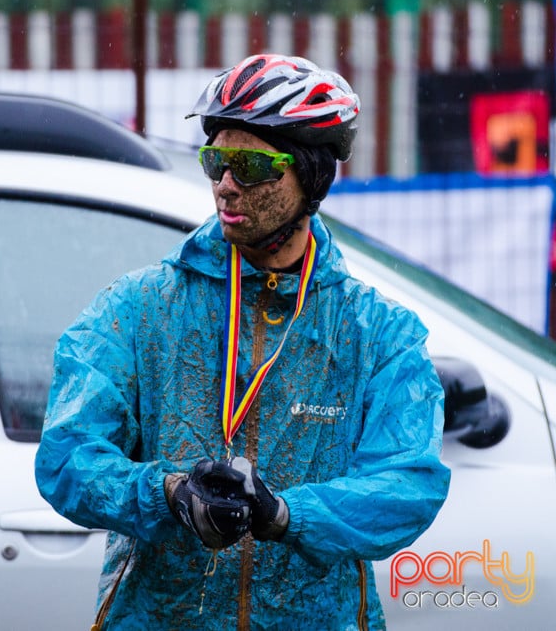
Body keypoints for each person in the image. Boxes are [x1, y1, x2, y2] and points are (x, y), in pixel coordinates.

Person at [34, 54, 451, 630]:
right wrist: (170, 492)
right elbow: (66, 458)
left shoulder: (380, 334)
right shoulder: (136, 308)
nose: (225, 185)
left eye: (251, 165)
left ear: (312, 175)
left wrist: (285, 515)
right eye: (215, 161)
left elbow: (408, 487)